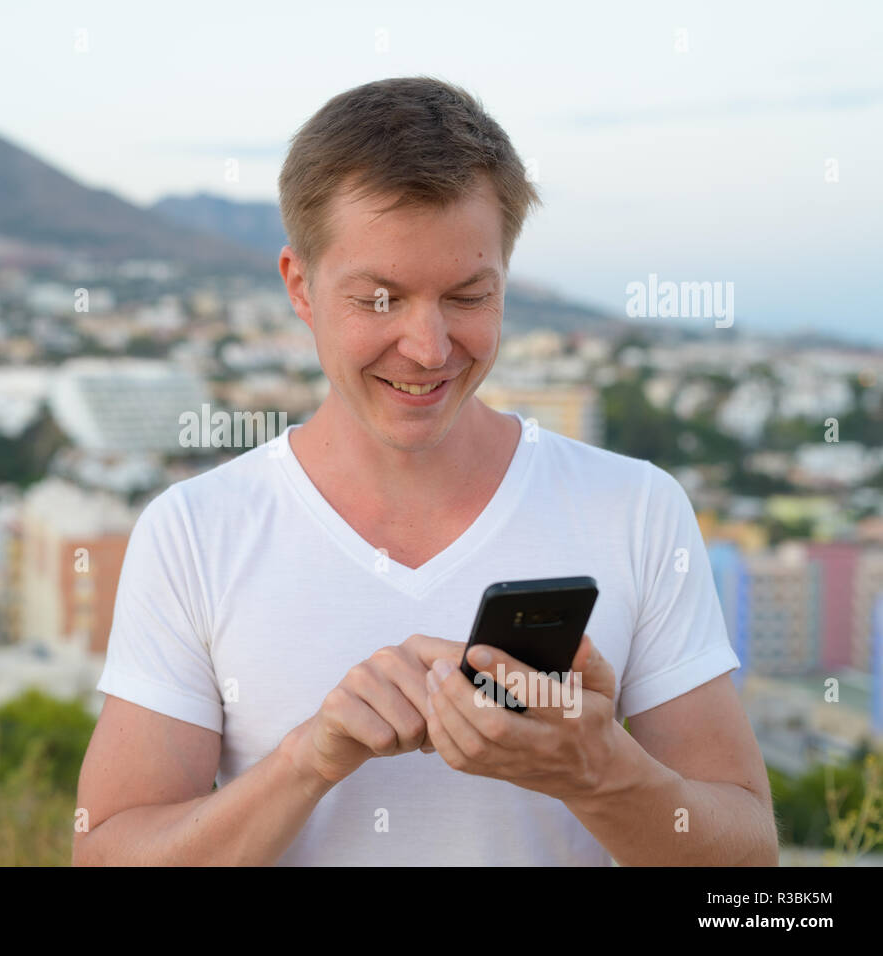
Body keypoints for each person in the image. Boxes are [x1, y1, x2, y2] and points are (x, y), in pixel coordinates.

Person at [73, 76, 778, 866]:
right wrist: (310, 759)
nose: (430, 346)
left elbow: (747, 861)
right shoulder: (195, 532)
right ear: (300, 287)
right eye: (381, 299)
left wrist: (600, 773)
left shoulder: (637, 509)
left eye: (468, 296)